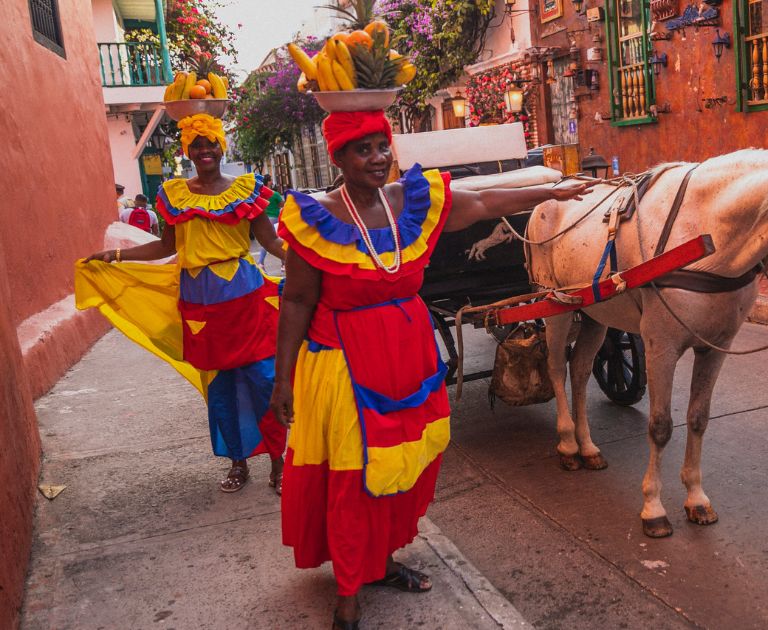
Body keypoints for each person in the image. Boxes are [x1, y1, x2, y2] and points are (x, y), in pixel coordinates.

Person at [270, 109, 593, 630]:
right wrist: (282, 379)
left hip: (408, 353)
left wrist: (550, 193)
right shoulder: (316, 217)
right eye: (362, 149)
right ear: (339, 157)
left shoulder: (409, 201)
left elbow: (486, 201)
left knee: (404, 465)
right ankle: (348, 592)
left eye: (382, 146)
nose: (377, 159)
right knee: (355, 478)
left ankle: (380, 561)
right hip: (344, 366)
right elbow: (296, 301)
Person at [78, 112, 289, 495]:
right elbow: (166, 247)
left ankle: (279, 461)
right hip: (198, 303)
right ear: (188, 150)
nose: (204, 150)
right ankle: (237, 462)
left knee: (263, 382)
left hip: (245, 298)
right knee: (220, 390)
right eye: (196, 144)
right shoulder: (174, 194)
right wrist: (116, 257)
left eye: (210, 143)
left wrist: (306, 258)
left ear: (221, 146)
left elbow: (271, 243)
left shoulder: (245, 190)